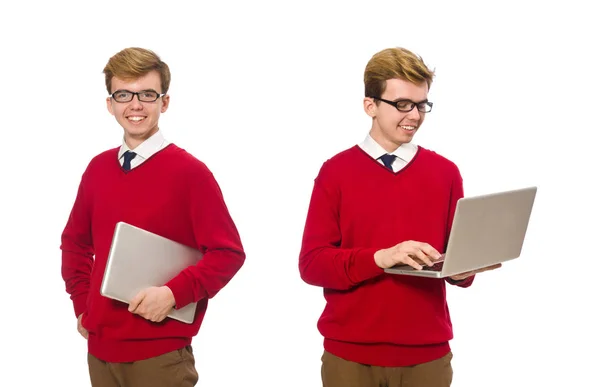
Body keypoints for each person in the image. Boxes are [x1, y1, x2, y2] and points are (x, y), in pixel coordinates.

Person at [298, 47, 500, 387]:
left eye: (422, 105)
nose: (415, 115)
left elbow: (456, 271)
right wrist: (381, 257)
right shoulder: (335, 173)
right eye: (403, 104)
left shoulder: (446, 173)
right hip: (350, 358)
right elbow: (312, 264)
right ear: (370, 106)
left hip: (428, 358)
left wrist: (464, 270)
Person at [60, 47, 245, 387]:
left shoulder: (191, 174)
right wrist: (82, 305)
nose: (135, 105)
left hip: (160, 357)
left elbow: (228, 254)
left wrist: (174, 295)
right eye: (123, 94)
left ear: (164, 102)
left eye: (147, 94)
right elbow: (74, 243)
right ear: (110, 104)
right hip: (100, 353)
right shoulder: (97, 169)